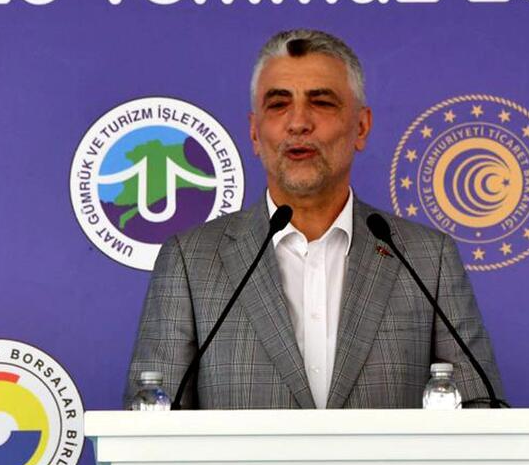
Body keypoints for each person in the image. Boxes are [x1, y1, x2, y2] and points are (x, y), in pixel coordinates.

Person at [124, 29, 503, 409]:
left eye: (321, 103)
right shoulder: (191, 261)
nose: (298, 123)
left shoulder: (427, 258)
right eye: (278, 104)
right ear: (254, 133)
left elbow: (481, 407)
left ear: (361, 127)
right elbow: (151, 418)